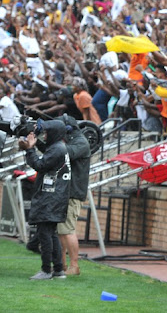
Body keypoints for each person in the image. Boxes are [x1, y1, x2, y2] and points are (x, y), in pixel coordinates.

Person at [19, 120, 71, 280]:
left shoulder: (57, 149)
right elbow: (47, 152)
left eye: (47, 132)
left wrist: (29, 149)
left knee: (45, 234)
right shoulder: (59, 147)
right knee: (51, 233)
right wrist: (33, 143)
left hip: (50, 198)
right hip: (56, 197)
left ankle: (46, 270)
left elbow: (39, 164)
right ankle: (58, 270)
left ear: (54, 133)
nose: (45, 135)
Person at [57, 114, 91, 276]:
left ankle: (74, 266)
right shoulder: (70, 140)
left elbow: (65, 153)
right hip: (65, 191)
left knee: (67, 230)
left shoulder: (81, 142)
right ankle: (61, 265)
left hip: (73, 192)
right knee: (60, 230)